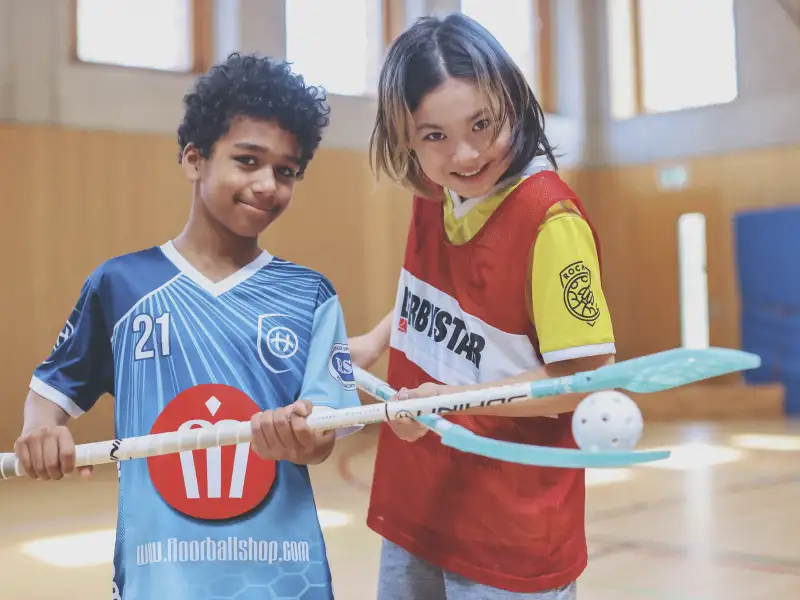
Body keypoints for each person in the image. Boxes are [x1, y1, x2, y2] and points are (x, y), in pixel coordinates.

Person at [14, 53, 360, 600]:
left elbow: (320, 439)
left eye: (287, 171)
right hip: (161, 579)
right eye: (248, 161)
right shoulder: (120, 284)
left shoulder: (309, 295)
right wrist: (41, 431)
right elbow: (50, 393)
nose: (268, 184)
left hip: (283, 578)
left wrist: (296, 437)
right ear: (194, 159)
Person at [349, 13, 616, 600]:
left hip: (510, 529)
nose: (465, 155)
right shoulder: (436, 193)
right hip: (423, 501)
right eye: (435, 136)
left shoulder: (550, 221)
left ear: (514, 105)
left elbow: (582, 380)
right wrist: (373, 341)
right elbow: (439, 309)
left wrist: (453, 401)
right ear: (407, 140)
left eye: (482, 124)